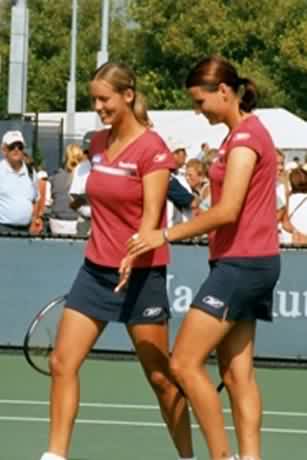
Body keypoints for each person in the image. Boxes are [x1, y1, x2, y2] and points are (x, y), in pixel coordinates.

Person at [122, 55, 281, 460]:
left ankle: (220, 456)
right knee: (237, 373)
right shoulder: (239, 136)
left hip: (241, 266)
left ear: (224, 92)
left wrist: (164, 233)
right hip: (247, 262)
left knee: (184, 363)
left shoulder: (245, 140)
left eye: (200, 102)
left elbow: (227, 211)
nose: (198, 111)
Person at [39, 62, 194, 460]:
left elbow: (152, 218)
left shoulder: (153, 149)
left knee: (161, 379)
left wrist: (132, 254)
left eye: (104, 99)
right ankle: (55, 456)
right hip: (94, 272)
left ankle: (188, 457)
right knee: (61, 363)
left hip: (141, 276)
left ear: (127, 96)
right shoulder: (95, 142)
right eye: (94, 99)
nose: (98, 106)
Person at [0, 130, 43, 235]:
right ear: (4, 150)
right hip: (2, 229)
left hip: (26, 230)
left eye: (20, 147)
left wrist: (34, 220)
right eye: (12, 146)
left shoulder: (31, 172)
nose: (16, 150)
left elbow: (36, 200)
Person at [48, 143, 84, 236]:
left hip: (55, 222)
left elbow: (50, 199)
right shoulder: (82, 178)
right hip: (73, 223)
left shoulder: (55, 176)